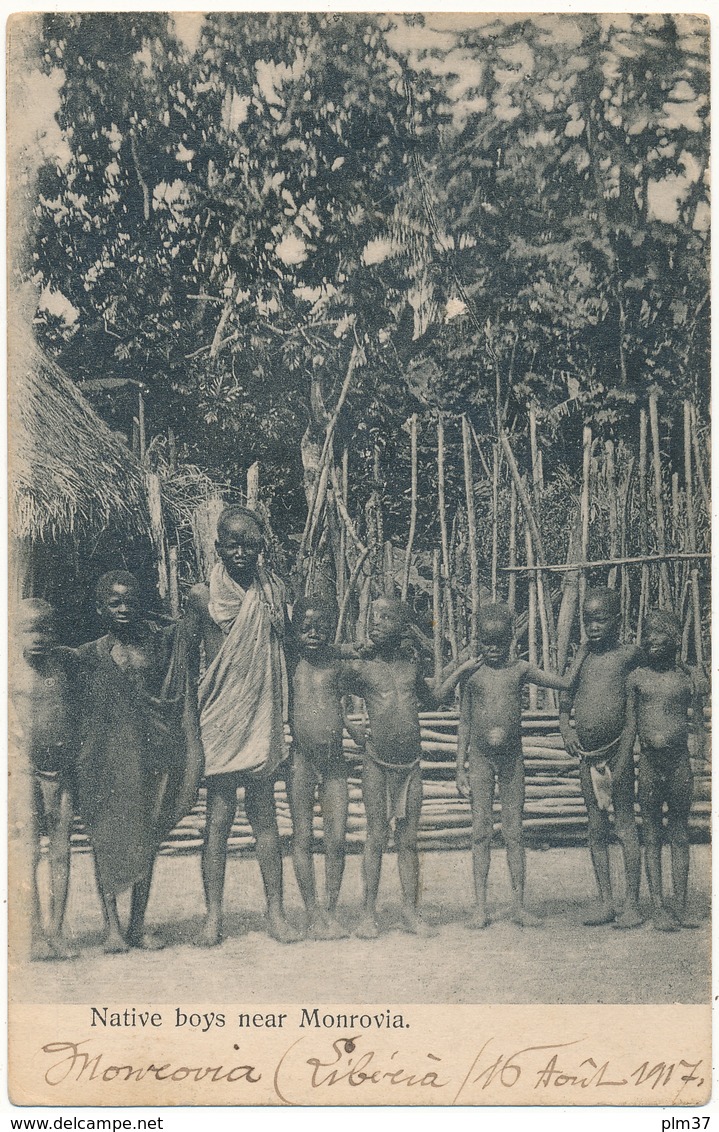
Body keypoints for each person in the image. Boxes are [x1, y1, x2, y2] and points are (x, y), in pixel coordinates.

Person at [186, 506, 300, 947]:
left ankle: (276, 913)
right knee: (217, 821)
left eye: (250, 544)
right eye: (232, 543)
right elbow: (185, 653)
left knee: (265, 819)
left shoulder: (274, 591)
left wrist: (282, 628)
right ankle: (213, 915)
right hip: (219, 718)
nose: (240, 551)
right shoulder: (201, 596)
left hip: (260, 716)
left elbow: (289, 650)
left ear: (261, 548)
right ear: (217, 546)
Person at [74, 571, 203, 952]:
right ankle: (111, 926)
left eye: (130, 600)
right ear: (101, 609)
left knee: (146, 840)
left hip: (149, 758)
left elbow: (189, 632)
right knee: (107, 840)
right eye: (114, 602)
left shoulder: (158, 647)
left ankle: (137, 924)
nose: (124, 608)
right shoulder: (89, 655)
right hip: (107, 761)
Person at [345, 596, 478, 939]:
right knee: (375, 838)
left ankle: (410, 913)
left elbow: (434, 700)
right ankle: (367, 915)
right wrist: (350, 727)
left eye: (386, 617)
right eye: (373, 616)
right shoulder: (361, 666)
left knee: (408, 841)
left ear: (403, 628)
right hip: (376, 763)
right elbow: (328, 689)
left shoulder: (410, 666)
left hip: (410, 765)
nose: (376, 622)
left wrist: (461, 671)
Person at [456, 603, 580, 929]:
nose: (493, 649)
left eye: (500, 642)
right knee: (481, 831)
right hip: (480, 760)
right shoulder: (472, 675)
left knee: (514, 831)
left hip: (512, 760)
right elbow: (465, 723)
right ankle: (480, 907)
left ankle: (518, 906)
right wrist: (459, 767)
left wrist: (584, 652)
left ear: (511, 640)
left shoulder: (520, 671)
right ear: (478, 640)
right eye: (487, 642)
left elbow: (564, 684)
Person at [559, 587, 645, 929]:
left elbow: (663, 661)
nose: (593, 627)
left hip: (618, 751)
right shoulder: (582, 658)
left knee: (625, 826)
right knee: (596, 827)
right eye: (587, 620)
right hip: (588, 756)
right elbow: (566, 698)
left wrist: (691, 671)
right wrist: (566, 728)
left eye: (601, 619)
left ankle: (632, 904)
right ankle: (606, 901)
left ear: (618, 621)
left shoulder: (629, 656)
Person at [617, 611, 707, 931]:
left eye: (659, 633)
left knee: (680, 833)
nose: (651, 639)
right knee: (652, 834)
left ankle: (680, 906)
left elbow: (701, 707)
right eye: (648, 633)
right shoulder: (636, 678)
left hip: (679, 761)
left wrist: (690, 669)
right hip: (651, 764)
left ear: (674, 640)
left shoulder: (686, 678)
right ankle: (657, 906)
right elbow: (629, 726)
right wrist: (622, 763)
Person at [287, 594, 365, 939]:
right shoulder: (289, 663)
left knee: (336, 838)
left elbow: (342, 694)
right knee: (302, 836)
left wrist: (349, 725)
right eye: (305, 627)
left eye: (321, 627)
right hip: (301, 760)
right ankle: (312, 912)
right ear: (295, 630)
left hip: (334, 761)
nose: (313, 633)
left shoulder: (336, 664)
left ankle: (331, 911)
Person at [9, 599, 78, 960]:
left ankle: (57, 930)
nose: (38, 638)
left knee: (61, 849)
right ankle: (33, 929)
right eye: (28, 630)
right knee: (29, 849)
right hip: (24, 767)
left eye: (45, 630)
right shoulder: (9, 670)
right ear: (13, 632)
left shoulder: (66, 664)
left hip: (61, 766)